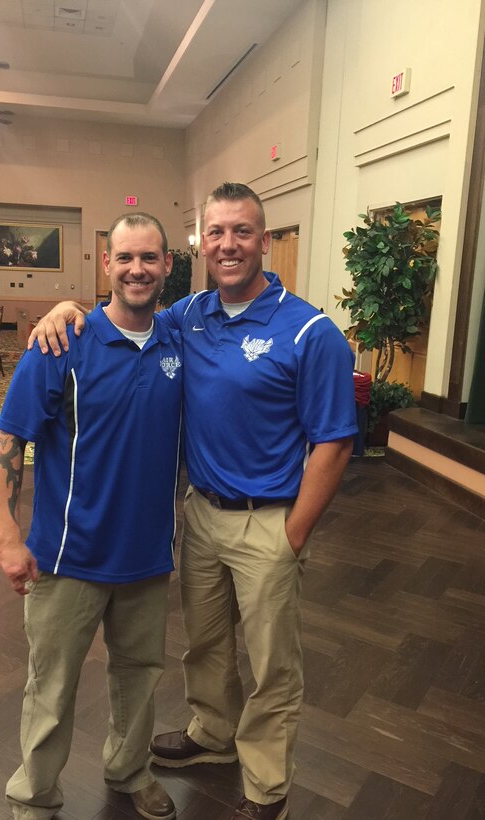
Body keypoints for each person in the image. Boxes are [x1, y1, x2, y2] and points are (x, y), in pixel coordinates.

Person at [30, 183, 358, 820]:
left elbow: (336, 441)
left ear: (264, 241)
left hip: (269, 521)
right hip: (200, 516)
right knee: (205, 644)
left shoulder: (310, 330)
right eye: (217, 233)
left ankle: (266, 785)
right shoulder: (188, 317)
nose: (228, 245)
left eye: (242, 232)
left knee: (271, 665)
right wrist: (64, 308)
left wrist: (293, 534)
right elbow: (124, 313)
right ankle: (212, 734)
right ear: (200, 245)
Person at [0, 212, 182, 820]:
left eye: (149, 258)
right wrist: (6, 535)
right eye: (125, 258)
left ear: (167, 266)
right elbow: (8, 438)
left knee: (139, 676)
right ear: (107, 264)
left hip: (147, 554)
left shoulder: (180, 339)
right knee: (51, 688)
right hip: (67, 556)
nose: (136, 269)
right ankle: (36, 797)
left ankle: (130, 772)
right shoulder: (62, 342)